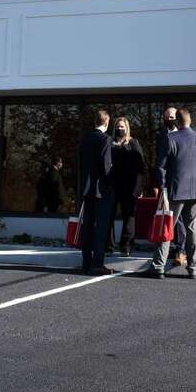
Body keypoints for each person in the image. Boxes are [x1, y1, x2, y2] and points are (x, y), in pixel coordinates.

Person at [149, 108, 196, 279]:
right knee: (193, 229)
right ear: (191, 121)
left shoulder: (170, 138)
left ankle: (159, 266)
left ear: (176, 121)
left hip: (175, 190)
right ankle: (194, 268)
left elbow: (161, 166)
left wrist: (163, 188)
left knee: (167, 227)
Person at [76, 109, 114, 274]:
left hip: (86, 189)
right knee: (101, 228)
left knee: (87, 227)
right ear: (106, 122)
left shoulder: (84, 139)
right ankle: (97, 263)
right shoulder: (105, 139)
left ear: (94, 121)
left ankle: (86, 262)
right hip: (101, 190)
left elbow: (78, 163)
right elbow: (106, 167)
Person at [108, 116, 145, 256]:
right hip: (112, 186)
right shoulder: (109, 143)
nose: (120, 129)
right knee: (108, 216)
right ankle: (109, 246)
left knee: (128, 217)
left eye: (122, 127)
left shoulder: (133, 143)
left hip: (129, 187)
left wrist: (139, 187)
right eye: (118, 126)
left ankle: (126, 246)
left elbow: (141, 167)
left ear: (127, 128)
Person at [155, 106, 185, 263]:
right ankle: (171, 248)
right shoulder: (161, 136)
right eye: (166, 117)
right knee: (168, 217)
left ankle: (180, 250)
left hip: (180, 183)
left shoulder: (183, 135)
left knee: (179, 219)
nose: (169, 120)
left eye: (172, 117)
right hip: (166, 184)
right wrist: (159, 183)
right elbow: (159, 161)